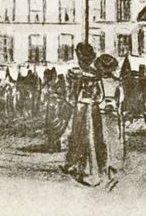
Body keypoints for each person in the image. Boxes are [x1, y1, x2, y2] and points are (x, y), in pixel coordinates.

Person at [61, 43, 105, 186]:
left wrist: (77, 102)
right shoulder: (94, 73)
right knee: (83, 137)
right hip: (89, 108)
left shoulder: (74, 73)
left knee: (82, 137)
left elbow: (69, 95)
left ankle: (81, 167)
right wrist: (92, 101)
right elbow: (100, 96)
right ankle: (78, 165)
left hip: (82, 108)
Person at [96, 53, 125, 188]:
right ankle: (107, 167)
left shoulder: (115, 82)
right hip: (105, 113)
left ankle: (111, 167)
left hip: (109, 113)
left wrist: (116, 106)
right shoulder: (103, 82)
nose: (106, 71)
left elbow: (121, 98)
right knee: (106, 141)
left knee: (111, 140)